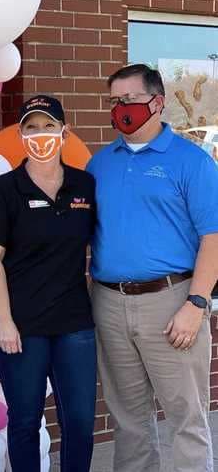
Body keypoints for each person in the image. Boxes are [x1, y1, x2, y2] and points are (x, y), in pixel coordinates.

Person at [87, 64, 218, 472]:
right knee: (128, 420)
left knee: (186, 418)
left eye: (129, 100)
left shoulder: (191, 163)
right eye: (114, 102)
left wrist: (196, 303)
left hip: (172, 302)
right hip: (109, 303)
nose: (121, 109)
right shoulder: (99, 165)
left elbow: (213, 238)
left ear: (157, 103)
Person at [0, 95, 97, 472]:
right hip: (21, 325)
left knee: (78, 421)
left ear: (64, 132)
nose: (41, 134)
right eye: (32, 127)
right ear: (21, 134)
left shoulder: (85, 185)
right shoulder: (5, 188)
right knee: (26, 420)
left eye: (49, 126)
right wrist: (5, 321)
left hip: (73, 322)